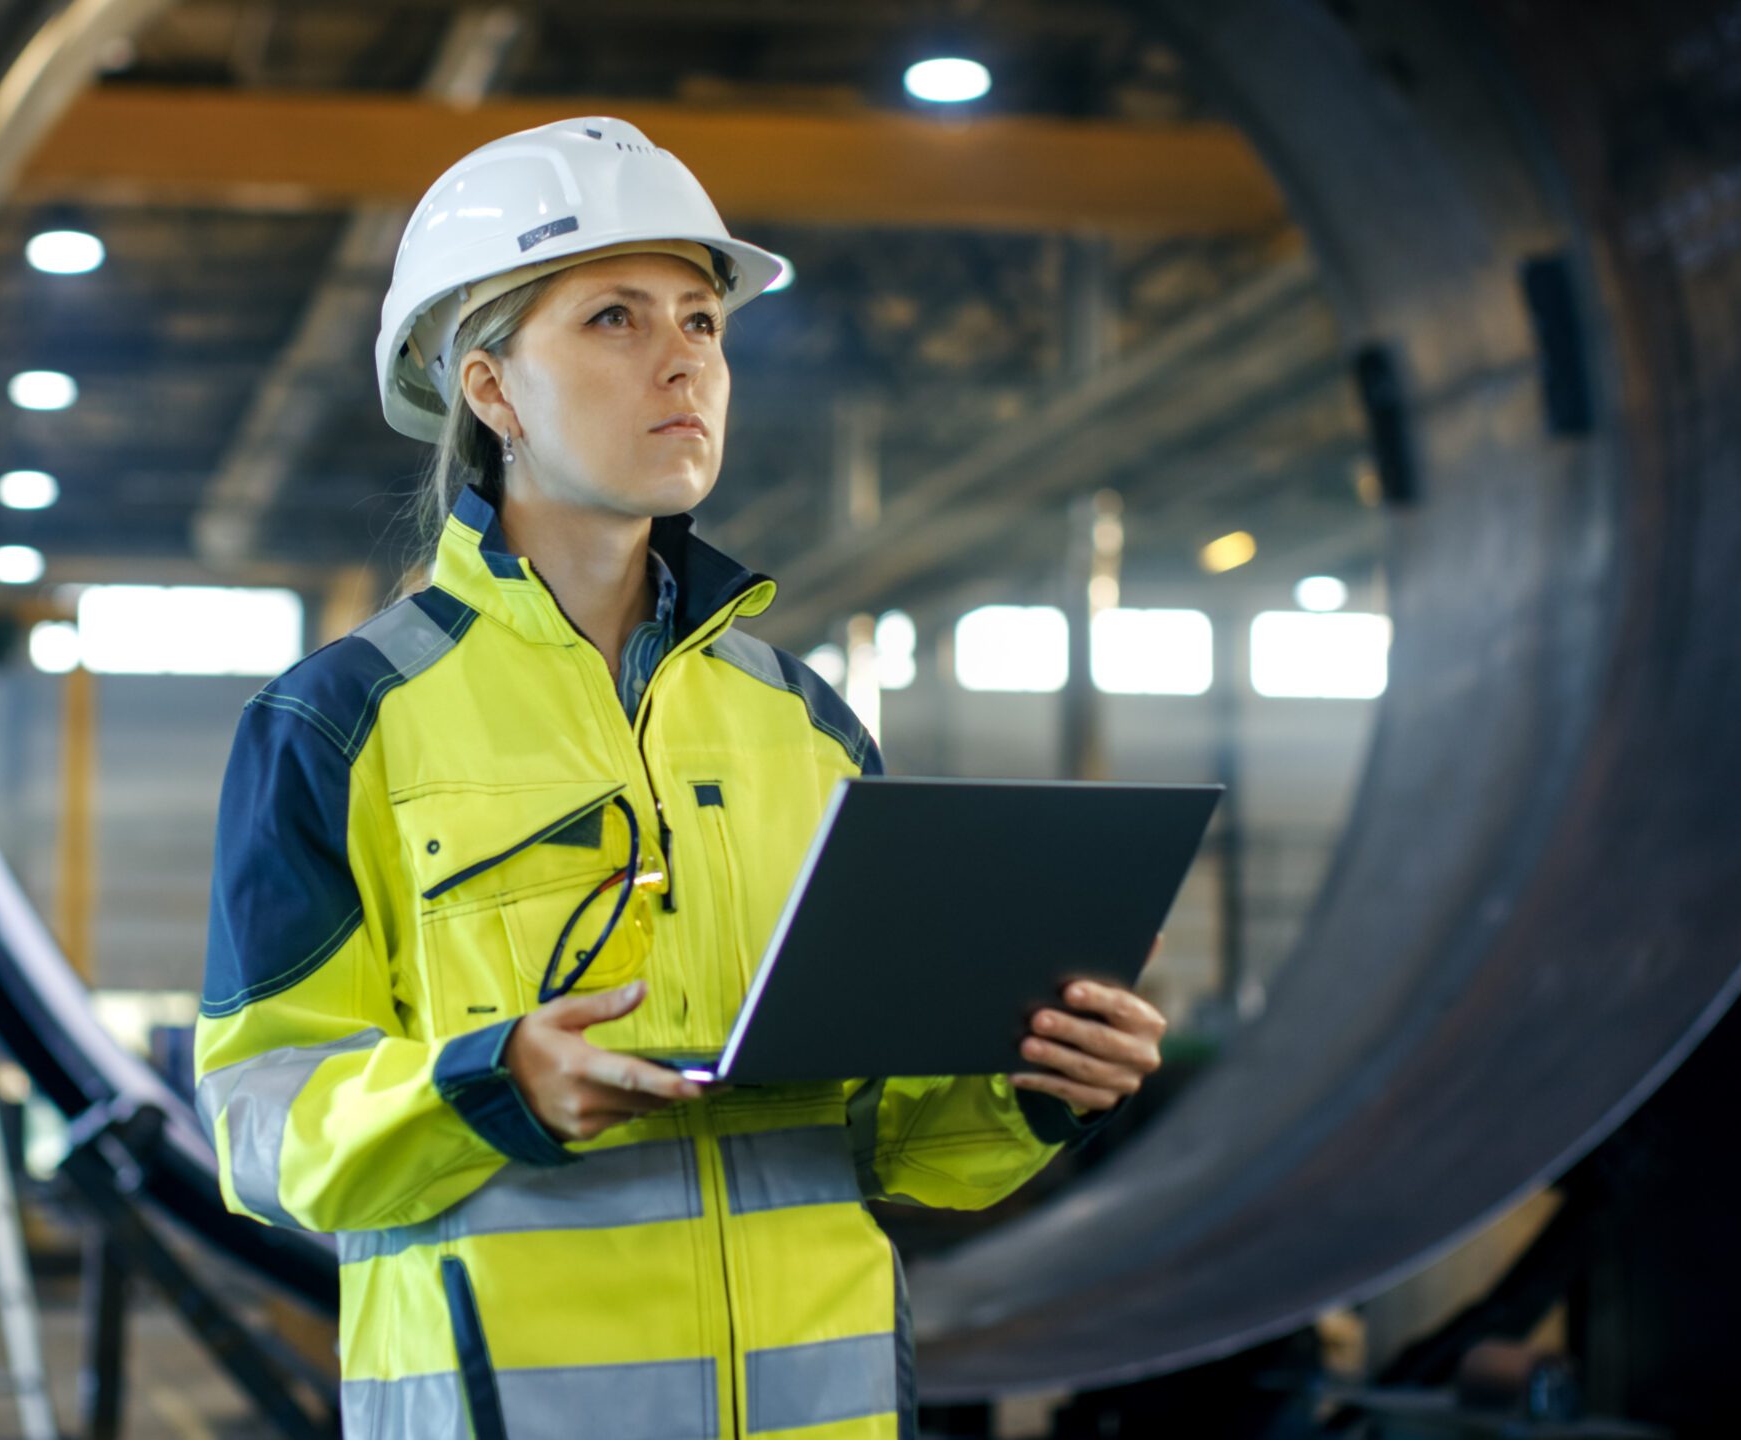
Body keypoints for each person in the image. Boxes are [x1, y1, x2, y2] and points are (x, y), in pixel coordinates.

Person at [194, 115, 1168, 1439]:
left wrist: (1035, 1083)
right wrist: (495, 1085)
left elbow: (888, 1136)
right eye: (612, 319)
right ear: (491, 392)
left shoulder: (804, 725)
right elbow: (259, 1126)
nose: (683, 362)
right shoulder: (339, 724)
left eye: (702, 322)